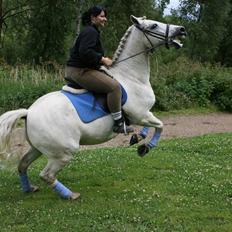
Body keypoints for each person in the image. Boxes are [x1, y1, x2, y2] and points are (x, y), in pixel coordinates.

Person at [65, 5, 133, 134]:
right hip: (80, 72)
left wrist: (100, 63)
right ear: (93, 17)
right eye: (102, 16)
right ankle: (118, 124)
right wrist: (102, 59)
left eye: (105, 16)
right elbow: (85, 52)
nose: (105, 19)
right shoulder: (90, 32)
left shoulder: (92, 31)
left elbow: (87, 55)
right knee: (114, 87)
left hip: (80, 69)